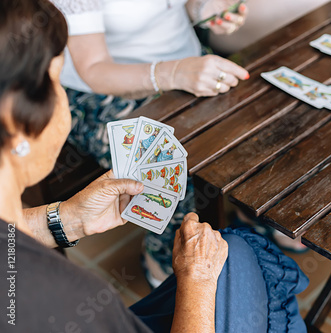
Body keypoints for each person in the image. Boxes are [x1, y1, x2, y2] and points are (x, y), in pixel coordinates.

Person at [0, 1, 309, 332]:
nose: (62, 98)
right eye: (57, 82)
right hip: (122, 88)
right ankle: (163, 262)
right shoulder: (64, 297)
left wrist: (66, 220)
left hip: (186, 62)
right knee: (191, 199)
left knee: (257, 122)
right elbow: (93, 69)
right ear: (17, 121)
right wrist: (196, 279)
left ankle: (246, 208)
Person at [50, 0, 251, 286]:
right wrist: (174, 73)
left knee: (251, 126)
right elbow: (93, 69)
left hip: (188, 67)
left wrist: (203, 9)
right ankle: (166, 269)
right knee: (167, 173)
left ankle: (242, 217)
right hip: (104, 90)